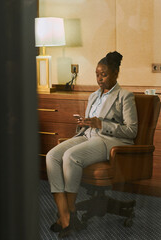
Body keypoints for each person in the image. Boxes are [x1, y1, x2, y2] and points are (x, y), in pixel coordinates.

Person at [46, 51, 138, 238]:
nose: (99, 78)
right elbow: (90, 124)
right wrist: (84, 123)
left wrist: (102, 125)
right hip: (87, 135)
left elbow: (131, 131)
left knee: (71, 157)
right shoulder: (93, 96)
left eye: (104, 74)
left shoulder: (125, 96)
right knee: (52, 156)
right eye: (97, 74)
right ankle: (64, 213)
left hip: (108, 141)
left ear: (115, 73)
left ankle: (70, 213)